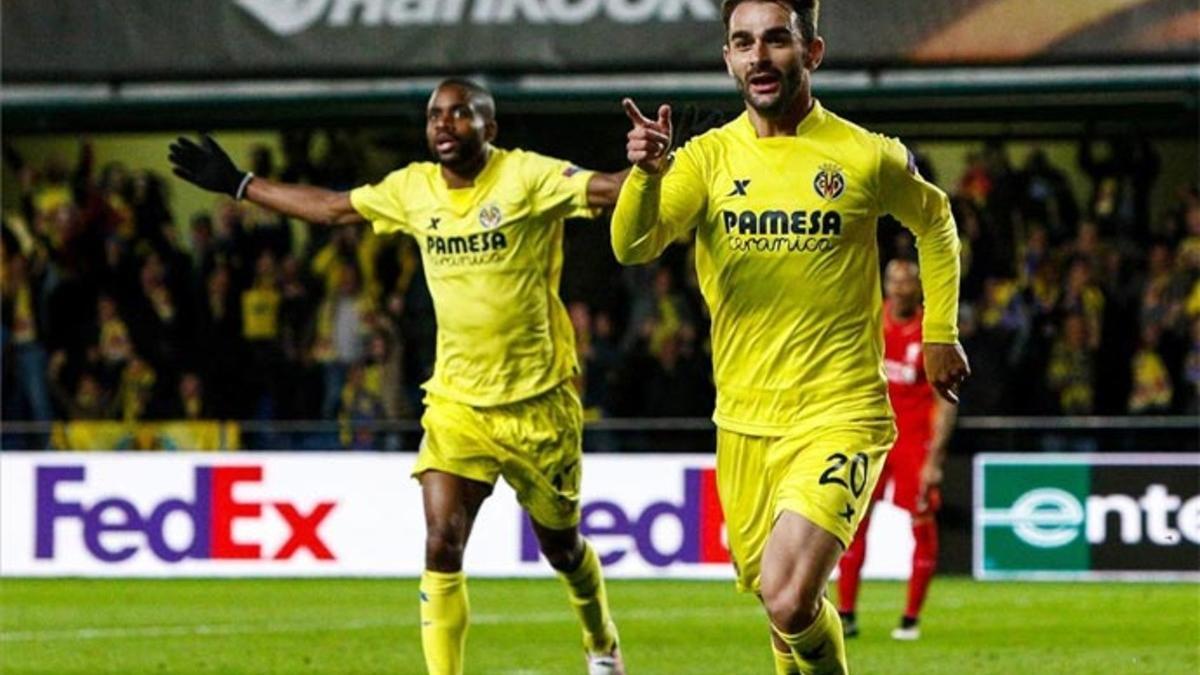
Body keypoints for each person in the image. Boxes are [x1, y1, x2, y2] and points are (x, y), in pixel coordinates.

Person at [169, 78, 627, 675]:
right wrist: (240, 185)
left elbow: (611, 190)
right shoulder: (413, 189)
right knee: (441, 541)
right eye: (435, 114)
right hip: (457, 404)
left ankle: (601, 641)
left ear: (490, 128)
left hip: (538, 403)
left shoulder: (527, 177)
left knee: (563, 550)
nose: (443, 123)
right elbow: (333, 209)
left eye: (460, 114)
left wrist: (652, 165)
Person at [611, 2, 969, 673]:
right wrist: (645, 177)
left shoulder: (865, 154)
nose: (759, 56)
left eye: (777, 39)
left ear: (813, 53)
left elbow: (936, 220)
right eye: (743, 42)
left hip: (840, 411)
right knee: (784, 613)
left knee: (787, 593)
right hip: (744, 422)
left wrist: (942, 330)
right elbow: (633, 245)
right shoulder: (707, 159)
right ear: (727, 60)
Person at [835, 260, 958, 641]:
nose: (900, 288)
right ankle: (846, 614)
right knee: (853, 524)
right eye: (894, 281)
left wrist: (936, 458)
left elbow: (948, 399)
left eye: (907, 283)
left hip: (914, 442)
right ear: (885, 285)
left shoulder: (932, 331)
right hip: (872, 438)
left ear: (918, 288)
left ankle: (909, 618)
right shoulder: (869, 321)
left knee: (921, 526)